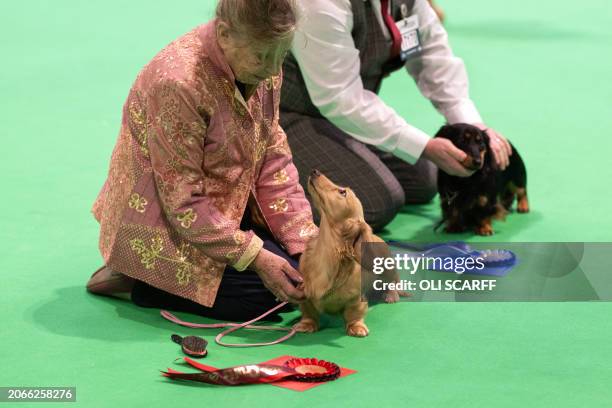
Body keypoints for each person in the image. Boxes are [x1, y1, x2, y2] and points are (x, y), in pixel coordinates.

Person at [86, 0, 318, 322]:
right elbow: (182, 202)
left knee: (302, 273)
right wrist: (256, 257)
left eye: (281, 55)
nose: (271, 69)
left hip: (223, 204)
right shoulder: (177, 82)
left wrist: (303, 241)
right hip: (164, 220)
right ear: (224, 34)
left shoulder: (265, 66)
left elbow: (272, 155)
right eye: (262, 56)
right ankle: (141, 281)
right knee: (268, 297)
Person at [280, 0, 512, 230]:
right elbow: (339, 98)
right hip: (288, 114)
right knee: (376, 204)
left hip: (342, 113)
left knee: (425, 181)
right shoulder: (322, 4)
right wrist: (425, 146)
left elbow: (430, 56)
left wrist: (471, 123)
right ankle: (260, 195)